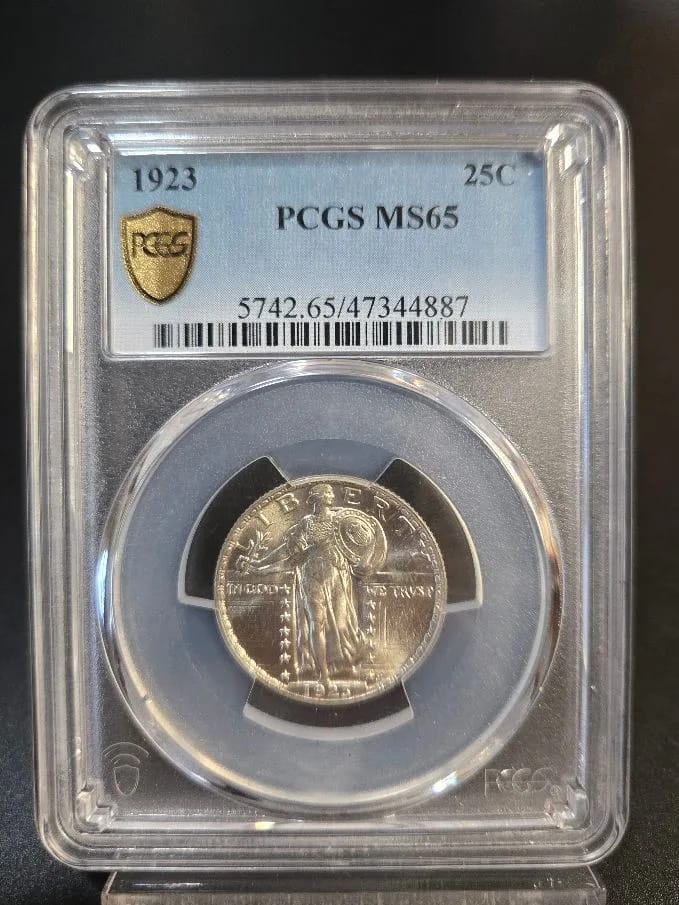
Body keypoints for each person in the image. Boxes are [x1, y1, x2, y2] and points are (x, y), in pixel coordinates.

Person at [243, 482, 387, 692]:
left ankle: (349, 664)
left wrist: (366, 558)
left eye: (330, 492)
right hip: (310, 576)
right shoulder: (306, 523)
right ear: (316, 498)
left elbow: (363, 545)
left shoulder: (341, 519)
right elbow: (286, 550)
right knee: (315, 622)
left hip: (337, 576)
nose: (331, 494)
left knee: (342, 626)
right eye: (326, 492)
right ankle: (323, 675)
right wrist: (259, 564)